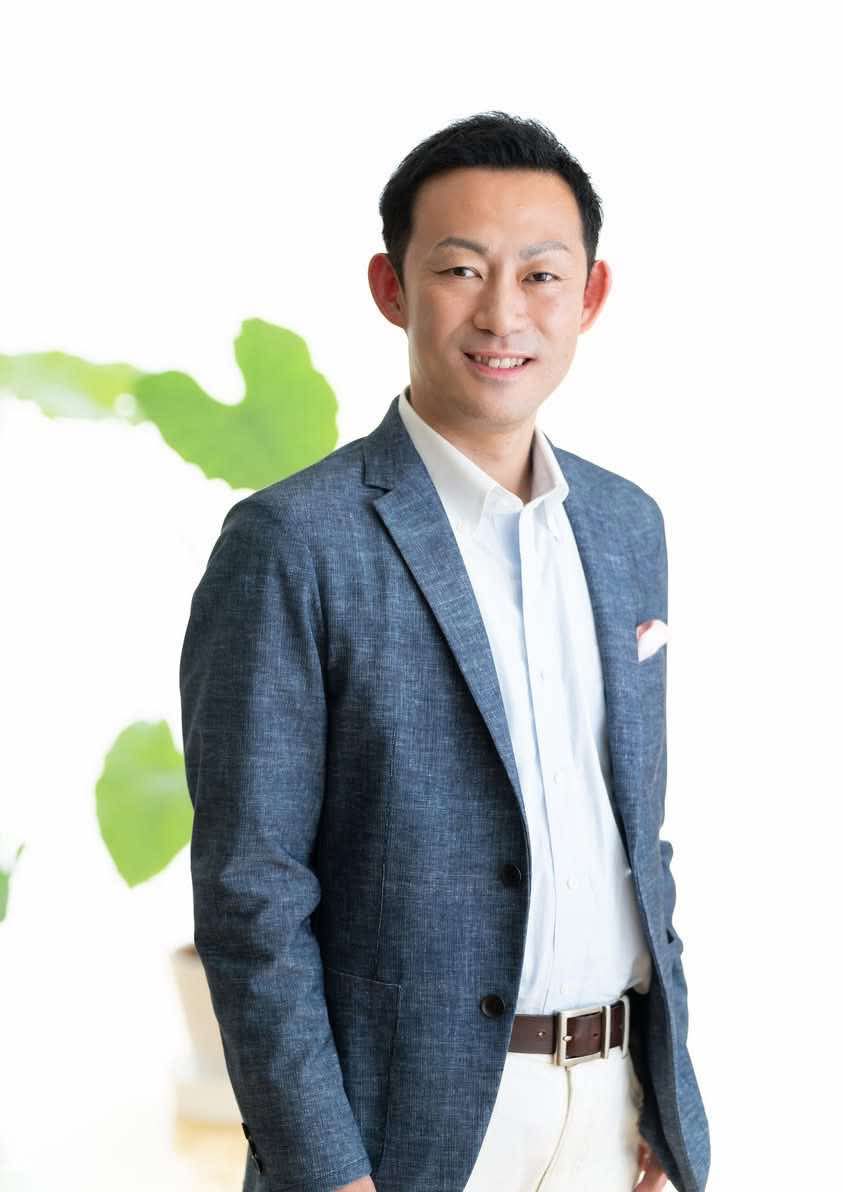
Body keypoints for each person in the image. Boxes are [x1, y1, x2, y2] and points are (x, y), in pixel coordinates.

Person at [179, 111, 711, 1192]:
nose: (502, 313)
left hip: (613, 1108)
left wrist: (660, 1087)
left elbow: (634, 835)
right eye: (461, 269)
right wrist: (326, 1168)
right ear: (392, 287)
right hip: (404, 1135)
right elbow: (250, 893)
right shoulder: (293, 543)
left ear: (590, 297)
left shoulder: (627, 526)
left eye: (541, 276)